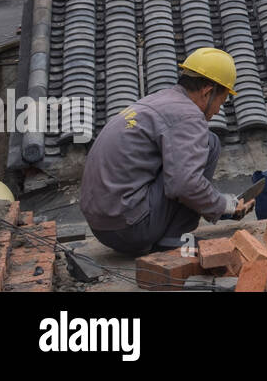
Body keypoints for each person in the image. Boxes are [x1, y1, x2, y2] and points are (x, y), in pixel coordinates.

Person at [80, 47, 254, 256]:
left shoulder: (159, 101)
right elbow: (184, 184)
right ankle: (174, 239)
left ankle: (164, 235)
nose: (217, 111)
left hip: (102, 227)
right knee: (210, 143)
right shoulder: (188, 115)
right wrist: (225, 205)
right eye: (221, 101)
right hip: (131, 229)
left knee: (191, 155)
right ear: (207, 91)